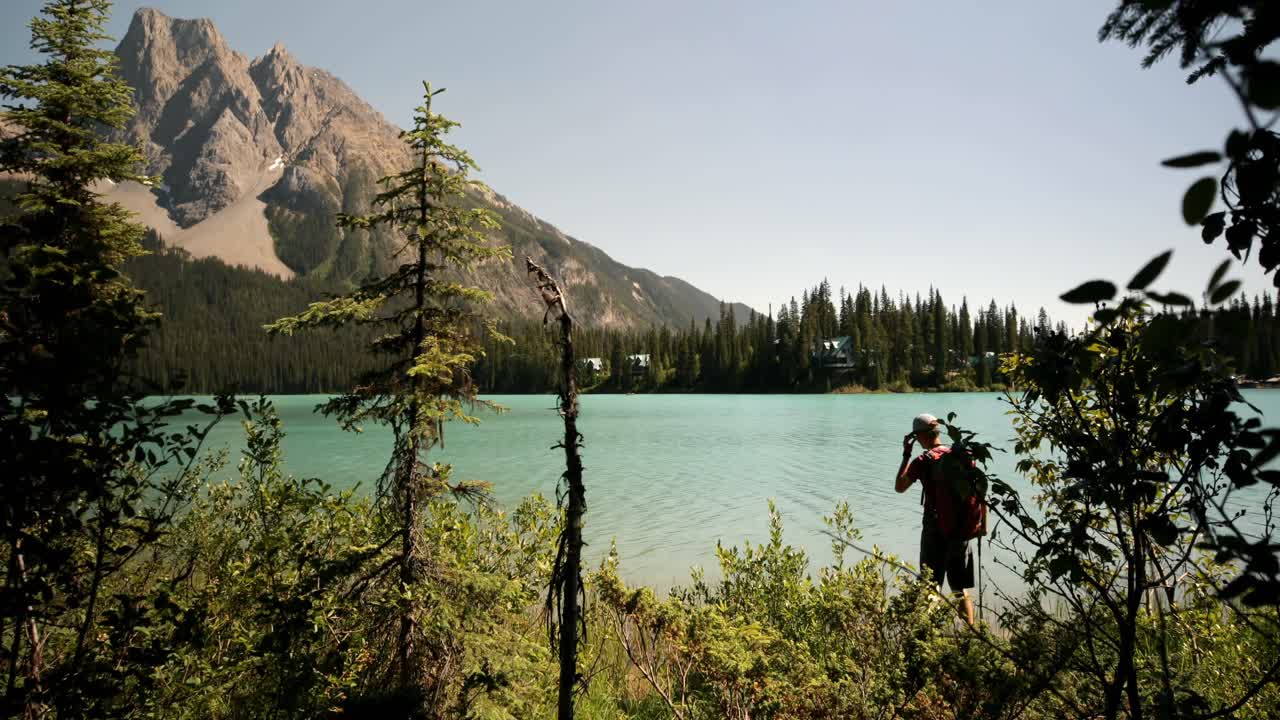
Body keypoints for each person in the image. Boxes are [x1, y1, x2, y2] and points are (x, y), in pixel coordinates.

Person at [894, 413, 976, 625]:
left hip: (934, 528)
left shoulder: (923, 460)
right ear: (938, 432)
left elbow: (899, 487)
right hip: (960, 528)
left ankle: (927, 638)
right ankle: (972, 636)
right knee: (960, 588)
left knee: (930, 585)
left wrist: (906, 454)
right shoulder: (959, 455)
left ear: (920, 436)